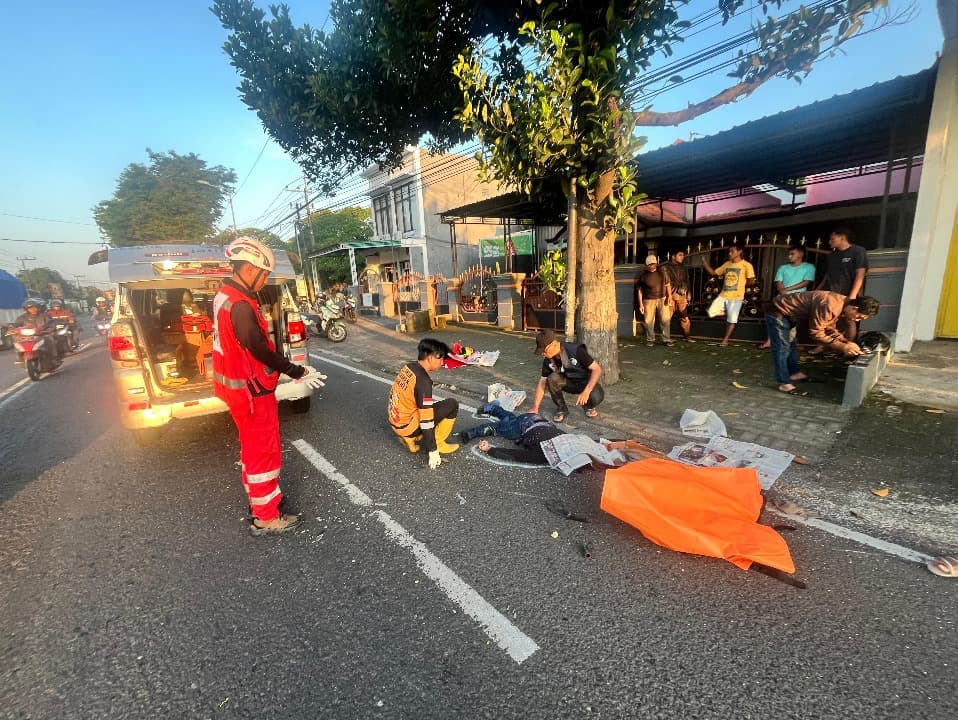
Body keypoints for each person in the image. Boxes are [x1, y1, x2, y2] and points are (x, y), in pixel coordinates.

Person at [213, 236, 327, 536]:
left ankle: (261, 502)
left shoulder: (225, 295)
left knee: (252, 450)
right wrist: (296, 370)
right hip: (251, 392)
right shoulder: (239, 305)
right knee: (264, 452)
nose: (265, 281)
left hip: (240, 389)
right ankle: (266, 516)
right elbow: (258, 348)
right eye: (264, 274)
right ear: (250, 269)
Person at [766, 291, 879, 396]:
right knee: (782, 348)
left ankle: (794, 374)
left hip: (790, 315)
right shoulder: (830, 306)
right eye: (859, 317)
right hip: (778, 312)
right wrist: (842, 346)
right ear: (855, 308)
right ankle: (784, 383)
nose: (857, 320)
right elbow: (816, 332)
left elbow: (828, 327)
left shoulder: (842, 304)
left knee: (792, 345)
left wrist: (846, 341)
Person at [388, 337, 461, 470]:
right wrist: (432, 450)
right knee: (452, 404)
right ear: (430, 358)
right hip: (407, 425)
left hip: (396, 421)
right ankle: (437, 443)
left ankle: (409, 438)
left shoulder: (408, 367)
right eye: (440, 358)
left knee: (430, 406)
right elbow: (427, 420)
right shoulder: (423, 381)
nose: (443, 362)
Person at [811, 227, 869, 353]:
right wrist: (818, 290)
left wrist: (852, 296)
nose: (830, 241)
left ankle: (849, 346)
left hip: (849, 293)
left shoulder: (858, 251)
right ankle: (824, 344)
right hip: (832, 293)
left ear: (842, 237)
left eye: (832, 238)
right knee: (827, 320)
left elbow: (860, 274)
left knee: (849, 319)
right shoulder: (831, 256)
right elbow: (827, 275)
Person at [530, 329, 603, 422]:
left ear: (554, 344)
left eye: (544, 350)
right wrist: (535, 407)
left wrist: (586, 391)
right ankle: (562, 409)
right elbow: (542, 383)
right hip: (568, 383)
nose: (543, 354)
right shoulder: (548, 360)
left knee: (597, 397)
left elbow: (597, 369)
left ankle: (588, 406)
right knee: (552, 378)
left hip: (584, 382)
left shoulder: (576, 350)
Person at [462, 401, 566, 465]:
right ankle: (472, 432)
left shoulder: (567, 438)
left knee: (510, 420)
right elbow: (516, 455)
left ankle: (494, 408)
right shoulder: (544, 455)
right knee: (499, 428)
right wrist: (490, 450)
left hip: (536, 420)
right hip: (524, 426)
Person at [758, 246, 816, 348]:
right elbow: (779, 282)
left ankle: (790, 342)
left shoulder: (809, 267)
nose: (789, 256)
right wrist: (782, 291)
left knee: (795, 320)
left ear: (801, 254)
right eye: (789, 254)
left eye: (792, 254)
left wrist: (787, 290)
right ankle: (770, 341)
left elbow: (806, 282)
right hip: (783, 297)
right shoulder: (783, 268)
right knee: (775, 317)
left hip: (799, 298)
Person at [701, 244, 756, 346]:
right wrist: (704, 262)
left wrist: (742, 284)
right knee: (711, 312)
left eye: (732, 251)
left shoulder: (747, 265)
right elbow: (714, 273)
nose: (730, 253)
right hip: (723, 294)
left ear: (739, 252)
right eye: (729, 251)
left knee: (731, 320)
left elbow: (752, 281)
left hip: (736, 297)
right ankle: (727, 313)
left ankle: (725, 340)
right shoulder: (727, 264)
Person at [636, 254, 673, 347]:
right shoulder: (643, 276)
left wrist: (670, 297)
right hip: (648, 300)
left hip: (662, 298)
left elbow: (668, 285)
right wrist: (641, 304)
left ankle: (666, 339)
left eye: (653, 264)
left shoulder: (662, 272)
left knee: (665, 320)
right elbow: (640, 291)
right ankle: (650, 339)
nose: (651, 266)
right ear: (646, 265)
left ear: (656, 263)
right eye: (649, 264)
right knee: (648, 321)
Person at [14, 298, 60, 365]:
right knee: (16, 340)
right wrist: (12, 329)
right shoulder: (22, 317)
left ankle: (54, 357)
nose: (32, 309)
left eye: (34, 307)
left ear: (38, 307)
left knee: (49, 339)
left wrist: (50, 329)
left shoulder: (44, 315)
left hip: (42, 334)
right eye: (30, 308)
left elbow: (51, 323)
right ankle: (20, 357)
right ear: (26, 309)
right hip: (27, 336)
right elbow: (15, 325)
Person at [662, 250, 695, 342]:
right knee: (667, 318)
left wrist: (689, 294)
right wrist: (669, 295)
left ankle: (687, 336)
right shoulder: (666, 268)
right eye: (680, 255)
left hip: (682, 296)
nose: (682, 257)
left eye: (683, 255)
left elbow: (687, 281)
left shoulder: (684, 268)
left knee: (684, 317)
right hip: (670, 296)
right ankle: (666, 338)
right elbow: (666, 282)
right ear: (673, 256)